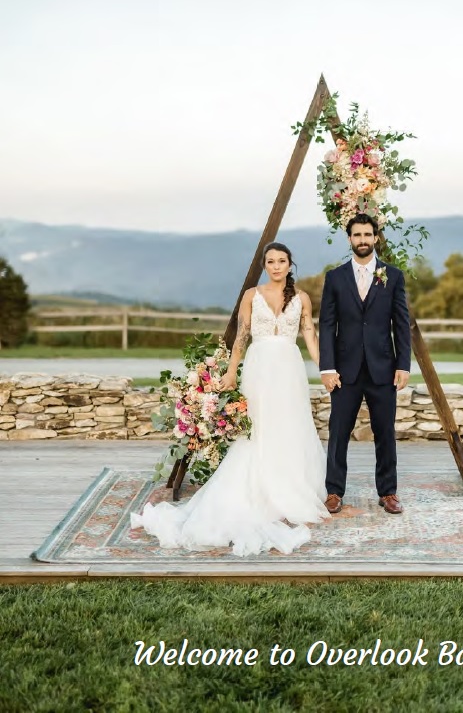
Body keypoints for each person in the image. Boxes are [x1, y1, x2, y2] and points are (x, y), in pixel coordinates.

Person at [131, 242, 329, 556]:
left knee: (289, 425)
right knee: (259, 428)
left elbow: (310, 337)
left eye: (281, 261)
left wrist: (326, 369)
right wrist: (232, 371)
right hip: (259, 365)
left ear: (291, 265)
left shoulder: (302, 298)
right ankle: (258, 490)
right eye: (271, 261)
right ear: (265, 265)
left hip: (289, 368)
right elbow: (242, 335)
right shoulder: (252, 295)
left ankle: (287, 488)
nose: (276, 266)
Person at [319, 212, 411, 515]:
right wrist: (327, 368)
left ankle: (388, 492)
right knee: (338, 432)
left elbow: (400, 323)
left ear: (375, 238)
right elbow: (327, 324)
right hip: (344, 371)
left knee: (385, 432)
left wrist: (403, 365)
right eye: (357, 235)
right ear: (350, 239)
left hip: (383, 369)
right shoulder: (335, 277)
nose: (362, 240)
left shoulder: (393, 276)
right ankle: (334, 491)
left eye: (367, 235)